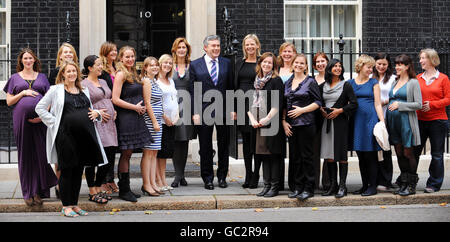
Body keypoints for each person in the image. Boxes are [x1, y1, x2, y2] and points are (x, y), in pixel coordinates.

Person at [35, 61, 108, 217]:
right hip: (66, 137)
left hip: (85, 136)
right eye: (68, 71)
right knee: (67, 171)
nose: (71, 74)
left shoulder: (84, 90)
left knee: (78, 171)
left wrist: (97, 114)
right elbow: (39, 108)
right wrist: (55, 122)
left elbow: (90, 110)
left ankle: (74, 204)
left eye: (74, 71)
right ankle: (65, 205)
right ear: (63, 74)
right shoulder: (56, 90)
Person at [3, 48, 58, 206]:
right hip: (22, 120)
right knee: (26, 155)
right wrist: (23, 93)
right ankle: (28, 192)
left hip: (40, 121)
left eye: (30, 58)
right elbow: (9, 101)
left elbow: (50, 99)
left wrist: (42, 117)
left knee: (40, 154)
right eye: (25, 58)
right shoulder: (14, 78)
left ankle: (39, 191)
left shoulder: (42, 77)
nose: (28, 61)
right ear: (21, 61)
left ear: (34, 60)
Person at [190, 35, 234, 190]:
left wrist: (233, 109)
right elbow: (193, 91)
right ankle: (207, 178)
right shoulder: (195, 65)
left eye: (218, 46)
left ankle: (222, 177)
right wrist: (194, 112)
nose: (216, 48)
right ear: (205, 48)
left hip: (223, 110)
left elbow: (230, 88)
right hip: (203, 111)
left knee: (224, 145)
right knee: (205, 146)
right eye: (213, 46)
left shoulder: (227, 63)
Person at [111, 46, 153, 202]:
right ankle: (124, 190)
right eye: (127, 57)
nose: (130, 59)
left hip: (136, 118)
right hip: (126, 117)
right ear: (121, 58)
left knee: (129, 153)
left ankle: (126, 188)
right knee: (126, 153)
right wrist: (135, 107)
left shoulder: (134, 73)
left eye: (132, 56)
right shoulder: (121, 74)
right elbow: (115, 99)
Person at [283, 54, 322, 201]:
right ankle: (298, 187)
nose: (298, 65)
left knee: (307, 157)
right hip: (291, 126)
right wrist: (283, 122)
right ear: (292, 64)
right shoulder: (288, 82)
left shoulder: (310, 82)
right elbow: (284, 104)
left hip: (306, 124)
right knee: (295, 157)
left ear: (306, 66)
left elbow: (318, 102)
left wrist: (301, 110)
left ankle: (308, 188)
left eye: (302, 63)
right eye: (296, 63)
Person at [82, 55, 119, 203]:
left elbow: (108, 98)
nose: (100, 67)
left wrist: (113, 109)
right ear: (90, 67)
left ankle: (99, 185)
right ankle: (92, 189)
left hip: (109, 124)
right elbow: (83, 104)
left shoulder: (103, 81)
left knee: (109, 156)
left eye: (101, 64)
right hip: (95, 124)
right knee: (93, 158)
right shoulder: (83, 84)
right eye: (97, 65)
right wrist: (95, 114)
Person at [247, 52, 285, 198]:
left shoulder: (276, 81)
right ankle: (266, 185)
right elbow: (250, 103)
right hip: (258, 124)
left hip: (271, 123)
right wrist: (252, 119)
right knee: (263, 156)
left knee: (272, 155)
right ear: (260, 63)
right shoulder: (257, 80)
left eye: (270, 63)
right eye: (264, 62)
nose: (267, 64)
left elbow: (278, 104)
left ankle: (274, 186)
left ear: (274, 65)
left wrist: (267, 118)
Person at [319, 59, 358, 198]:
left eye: (340, 66)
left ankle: (343, 186)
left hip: (340, 123)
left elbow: (354, 104)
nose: (338, 68)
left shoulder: (346, 85)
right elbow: (318, 102)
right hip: (326, 123)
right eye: (335, 66)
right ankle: (333, 185)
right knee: (329, 155)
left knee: (341, 155)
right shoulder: (322, 86)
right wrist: (321, 110)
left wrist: (340, 110)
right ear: (329, 69)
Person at [348, 54, 385, 196]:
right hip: (356, 122)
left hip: (370, 121)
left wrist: (381, 122)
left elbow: (377, 104)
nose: (371, 70)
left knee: (370, 155)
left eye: (372, 67)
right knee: (360, 155)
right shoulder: (350, 83)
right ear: (361, 66)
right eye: (369, 67)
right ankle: (364, 185)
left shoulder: (374, 83)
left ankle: (372, 186)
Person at [414, 48, 450, 193]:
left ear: (432, 60)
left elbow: (448, 99)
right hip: (419, 120)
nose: (421, 61)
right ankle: (409, 180)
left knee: (436, 154)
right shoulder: (417, 78)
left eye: (424, 58)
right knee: (414, 152)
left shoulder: (443, 78)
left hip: (438, 121)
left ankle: (434, 183)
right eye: (420, 58)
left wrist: (432, 105)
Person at [385, 54, 422, 196]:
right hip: (393, 123)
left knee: (408, 153)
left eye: (400, 64)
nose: (397, 67)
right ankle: (404, 183)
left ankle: (411, 185)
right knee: (399, 153)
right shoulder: (395, 81)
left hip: (406, 122)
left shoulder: (413, 82)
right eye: (396, 64)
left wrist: (400, 105)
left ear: (407, 66)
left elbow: (418, 104)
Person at [235, 34, 261, 189]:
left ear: (257, 45)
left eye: (252, 44)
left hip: (258, 104)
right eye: (247, 45)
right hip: (241, 104)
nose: (250, 47)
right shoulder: (239, 63)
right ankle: (248, 174)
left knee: (256, 142)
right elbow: (234, 84)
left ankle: (256, 175)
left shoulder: (261, 62)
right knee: (245, 143)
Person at [170, 37, 195, 188]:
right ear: (174, 49)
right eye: (179, 47)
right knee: (174, 139)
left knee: (184, 140)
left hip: (187, 105)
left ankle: (182, 174)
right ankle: (177, 174)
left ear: (187, 50)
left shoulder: (192, 66)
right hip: (172, 105)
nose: (181, 50)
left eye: (184, 47)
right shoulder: (168, 65)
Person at [372, 53, 396, 191]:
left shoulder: (393, 79)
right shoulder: (370, 77)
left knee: (385, 147)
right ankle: (374, 179)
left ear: (388, 65)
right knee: (375, 149)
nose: (381, 66)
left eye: (384, 64)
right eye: (379, 64)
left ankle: (386, 180)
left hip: (387, 116)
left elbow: (395, 96)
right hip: (373, 116)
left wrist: (383, 102)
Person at [98, 41, 119, 194]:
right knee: (105, 147)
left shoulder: (118, 67)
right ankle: (104, 180)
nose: (114, 53)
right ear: (105, 52)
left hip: (118, 110)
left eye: (116, 50)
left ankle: (111, 178)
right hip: (107, 110)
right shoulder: (102, 70)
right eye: (111, 51)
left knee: (114, 148)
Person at [142, 57, 164, 196]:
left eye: (156, 65)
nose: (155, 68)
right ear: (145, 68)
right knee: (148, 152)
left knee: (154, 153)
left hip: (158, 120)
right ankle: (146, 184)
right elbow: (148, 103)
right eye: (151, 66)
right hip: (151, 121)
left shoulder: (155, 81)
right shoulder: (147, 81)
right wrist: (155, 121)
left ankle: (153, 183)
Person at [156, 54, 178, 191]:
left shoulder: (171, 80)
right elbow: (156, 102)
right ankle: (159, 181)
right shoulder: (155, 81)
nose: (168, 65)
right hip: (161, 121)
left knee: (165, 153)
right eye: (165, 62)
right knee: (159, 153)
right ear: (160, 64)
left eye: (170, 63)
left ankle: (163, 180)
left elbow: (175, 99)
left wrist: (176, 116)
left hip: (172, 122)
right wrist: (165, 117)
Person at [312, 52, 330, 191]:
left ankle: (327, 182)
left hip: (328, 118)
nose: (320, 64)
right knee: (314, 150)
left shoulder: (332, 80)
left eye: (322, 61)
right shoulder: (311, 80)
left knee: (328, 151)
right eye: (317, 62)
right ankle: (314, 182)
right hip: (313, 119)